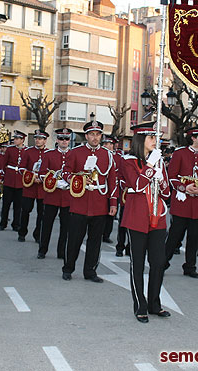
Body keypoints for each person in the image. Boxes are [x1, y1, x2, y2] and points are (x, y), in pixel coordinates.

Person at [119, 122, 170, 323]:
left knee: (158, 263)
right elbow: (138, 185)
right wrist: (150, 167)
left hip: (158, 217)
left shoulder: (158, 162)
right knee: (138, 263)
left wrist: (161, 177)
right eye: (151, 138)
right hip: (137, 218)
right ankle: (140, 304)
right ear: (141, 139)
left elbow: (166, 193)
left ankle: (154, 303)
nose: (155, 141)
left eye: (155, 138)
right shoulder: (129, 161)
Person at [61, 120, 118, 282]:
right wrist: (77, 179)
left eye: (98, 134)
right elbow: (65, 172)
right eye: (92, 134)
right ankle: (68, 268)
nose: (95, 137)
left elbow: (112, 181)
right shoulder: (75, 152)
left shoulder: (107, 155)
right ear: (86, 136)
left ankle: (90, 271)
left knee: (95, 242)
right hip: (79, 202)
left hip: (99, 203)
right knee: (74, 240)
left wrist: (113, 203)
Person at [164, 126, 198, 278]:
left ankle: (190, 267)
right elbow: (171, 176)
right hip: (182, 202)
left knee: (195, 237)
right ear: (193, 137)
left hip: (197, 204)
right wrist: (185, 188)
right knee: (174, 236)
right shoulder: (180, 153)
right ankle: (163, 263)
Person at [37, 128, 72, 259]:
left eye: (66, 139)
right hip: (52, 195)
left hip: (68, 196)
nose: (64, 141)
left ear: (69, 140)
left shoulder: (73, 155)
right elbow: (41, 174)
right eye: (61, 138)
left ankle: (61, 251)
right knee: (47, 224)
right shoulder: (49, 155)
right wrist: (54, 182)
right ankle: (42, 249)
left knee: (66, 226)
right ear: (57, 140)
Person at [18, 129, 48, 242]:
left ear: (45, 140)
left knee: (42, 213)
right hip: (29, 186)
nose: (37, 140)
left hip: (42, 188)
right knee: (25, 210)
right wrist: (31, 176)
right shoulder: (28, 152)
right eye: (36, 138)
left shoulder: (48, 153)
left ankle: (38, 234)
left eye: (40, 139)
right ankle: (22, 232)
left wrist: (42, 178)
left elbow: (51, 170)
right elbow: (21, 168)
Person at [0, 131, 26, 231]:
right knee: (6, 204)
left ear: (22, 140)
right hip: (9, 180)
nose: (15, 140)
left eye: (17, 139)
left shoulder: (26, 150)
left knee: (18, 206)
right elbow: (4, 163)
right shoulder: (10, 150)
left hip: (20, 181)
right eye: (14, 138)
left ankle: (16, 224)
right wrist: (4, 176)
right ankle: (3, 223)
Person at [101, 135, 120, 244]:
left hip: (114, 188)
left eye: (109, 144)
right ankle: (99, 232)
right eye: (105, 144)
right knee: (101, 212)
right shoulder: (101, 155)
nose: (106, 146)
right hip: (102, 188)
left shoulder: (118, 157)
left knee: (111, 213)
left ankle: (106, 234)